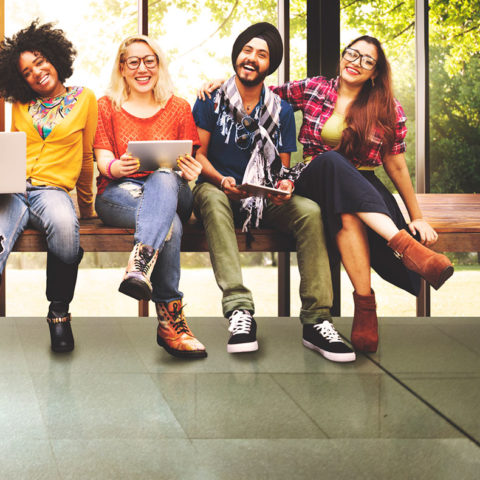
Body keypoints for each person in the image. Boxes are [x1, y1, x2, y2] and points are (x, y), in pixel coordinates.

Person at [199, 35, 453, 354]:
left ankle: (365, 309)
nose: (355, 62)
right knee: (331, 160)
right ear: (342, 56)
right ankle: (409, 249)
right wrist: (228, 81)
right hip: (312, 175)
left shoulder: (387, 108)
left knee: (347, 211)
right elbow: (262, 91)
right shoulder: (316, 88)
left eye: (366, 60)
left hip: (363, 186)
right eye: (352, 54)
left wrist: (417, 216)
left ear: (375, 72)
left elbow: (397, 166)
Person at [193, 22, 356, 362]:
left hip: (261, 199)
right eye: (247, 51)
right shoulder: (210, 99)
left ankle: (316, 320)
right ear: (237, 55)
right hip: (220, 193)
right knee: (208, 195)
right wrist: (222, 179)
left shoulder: (281, 110)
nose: (251, 58)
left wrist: (282, 186)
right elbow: (198, 155)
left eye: (262, 54)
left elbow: (280, 168)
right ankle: (239, 312)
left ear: (270, 65)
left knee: (309, 210)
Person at [94, 34, 207, 359]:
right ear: (123, 67)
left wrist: (190, 171)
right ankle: (171, 322)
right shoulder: (107, 106)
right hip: (120, 194)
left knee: (163, 176)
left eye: (149, 61)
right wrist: (117, 166)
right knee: (166, 222)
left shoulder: (179, 107)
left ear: (158, 65)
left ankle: (140, 264)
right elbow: (103, 162)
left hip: (174, 191)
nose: (142, 68)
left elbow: (191, 160)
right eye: (134, 62)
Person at [0, 21, 97, 353]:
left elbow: (86, 156)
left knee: (66, 233)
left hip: (52, 190)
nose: (36, 73)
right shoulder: (20, 105)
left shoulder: (84, 99)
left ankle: (59, 313)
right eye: (26, 71)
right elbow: (11, 151)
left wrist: (87, 207)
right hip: (11, 188)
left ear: (55, 58)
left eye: (40, 61)